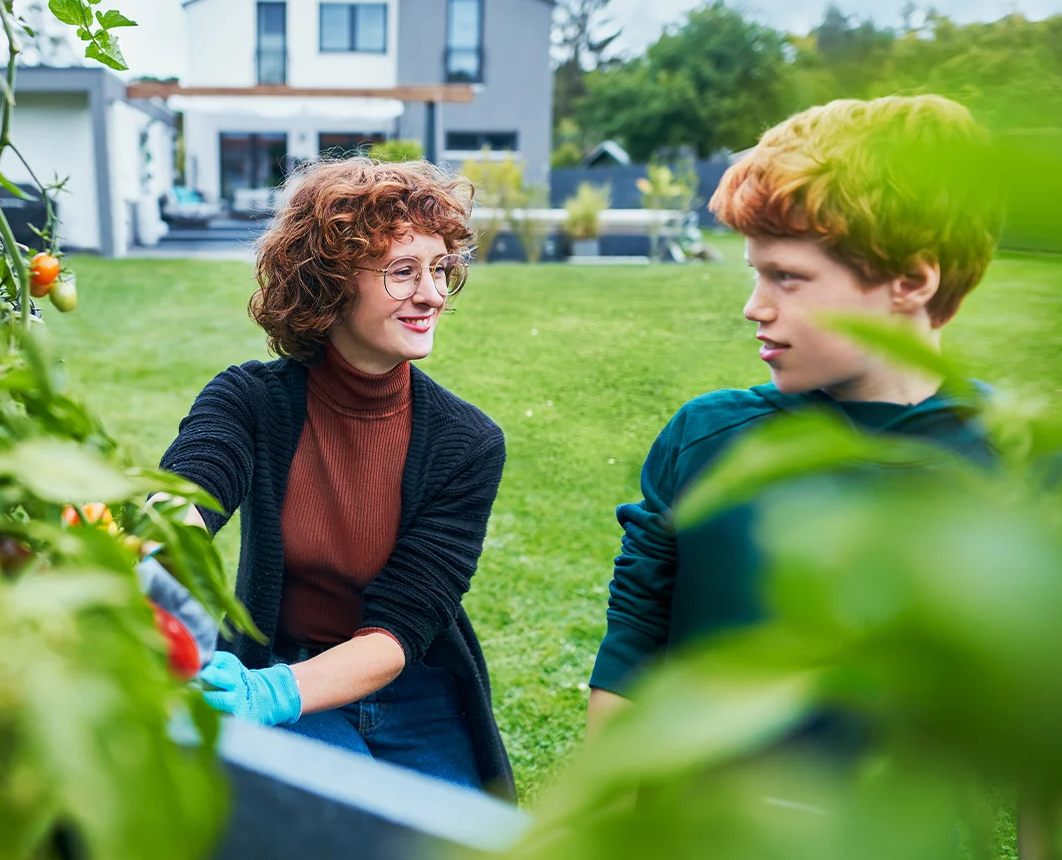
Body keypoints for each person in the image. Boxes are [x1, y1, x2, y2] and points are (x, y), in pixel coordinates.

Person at [586, 95, 1004, 734]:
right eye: (755, 273)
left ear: (912, 282)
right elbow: (633, 648)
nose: (755, 307)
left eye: (787, 277)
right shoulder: (704, 441)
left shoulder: (1022, 468)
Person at [156, 158, 513, 797]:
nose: (431, 294)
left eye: (440, 270)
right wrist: (148, 563)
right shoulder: (250, 401)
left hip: (413, 689)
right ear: (329, 284)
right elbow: (191, 492)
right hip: (290, 664)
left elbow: (402, 626)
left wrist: (270, 696)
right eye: (404, 271)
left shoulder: (468, 443)